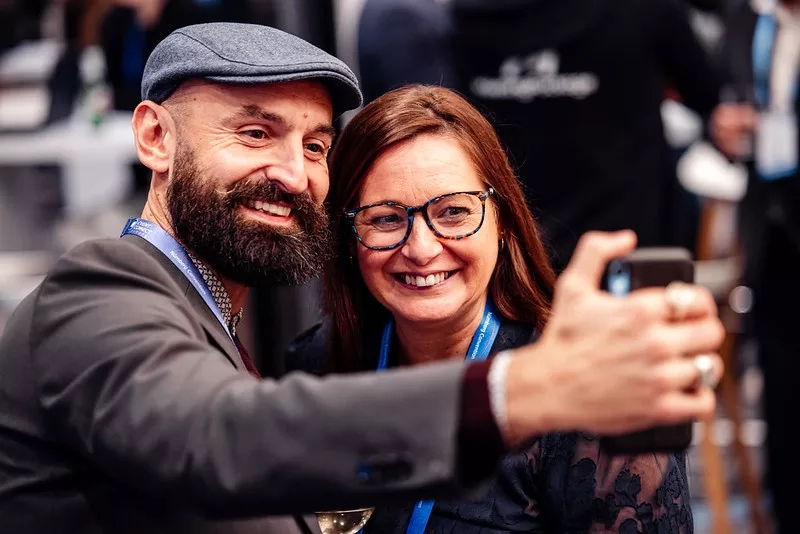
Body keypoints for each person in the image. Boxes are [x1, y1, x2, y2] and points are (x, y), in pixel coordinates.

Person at [0, 22, 724, 534]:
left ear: (502, 221)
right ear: (155, 136)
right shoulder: (100, 289)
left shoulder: (211, 324)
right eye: (254, 132)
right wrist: (527, 390)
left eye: (315, 144)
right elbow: (222, 437)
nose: (290, 171)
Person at [285, 84, 715, 532]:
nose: (421, 248)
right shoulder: (318, 369)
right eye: (386, 218)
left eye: (453, 212)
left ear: (503, 222)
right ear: (349, 240)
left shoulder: (591, 403)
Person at [356, 0, 724, 272]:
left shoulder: (462, 17)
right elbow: (711, 98)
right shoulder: (644, 10)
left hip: (517, 254)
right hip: (624, 254)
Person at [711, 1, 800, 531]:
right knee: (782, 392)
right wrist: (721, 129)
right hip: (768, 236)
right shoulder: (748, 19)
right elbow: (722, 104)